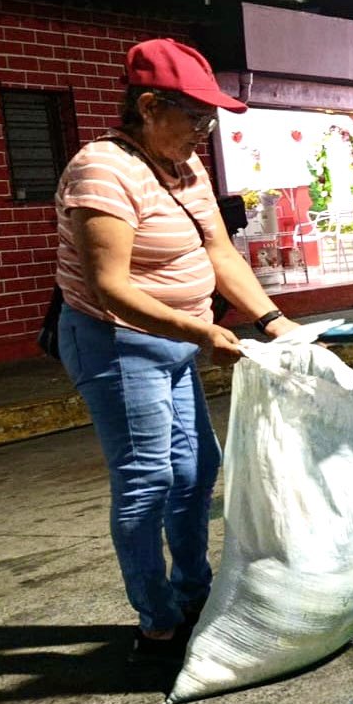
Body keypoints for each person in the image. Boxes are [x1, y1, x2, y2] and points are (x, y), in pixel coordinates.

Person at [54, 38, 301, 662]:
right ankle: (157, 623)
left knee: (195, 471)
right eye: (194, 116)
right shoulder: (101, 170)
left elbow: (219, 253)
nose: (202, 131)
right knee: (148, 479)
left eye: (208, 119)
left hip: (176, 342)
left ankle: (196, 593)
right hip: (117, 342)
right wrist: (203, 332)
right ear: (148, 106)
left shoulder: (187, 170)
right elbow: (110, 287)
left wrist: (273, 319)